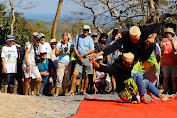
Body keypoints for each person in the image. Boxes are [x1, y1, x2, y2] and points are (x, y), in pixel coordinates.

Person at [90, 52, 176, 103]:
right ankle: (142, 96)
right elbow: (103, 68)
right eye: (129, 64)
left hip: (131, 90)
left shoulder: (129, 64)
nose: (131, 66)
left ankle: (161, 96)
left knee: (146, 82)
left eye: (131, 64)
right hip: (124, 93)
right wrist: (94, 62)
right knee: (138, 75)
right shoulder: (116, 67)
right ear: (124, 62)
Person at [90, 23, 162, 65]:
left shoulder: (144, 30)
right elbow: (113, 47)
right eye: (132, 39)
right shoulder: (125, 36)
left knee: (151, 44)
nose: (134, 40)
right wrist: (97, 54)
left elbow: (158, 25)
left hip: (144, 52)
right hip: (131, 54)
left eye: (135, 39)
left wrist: (153, 36)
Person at [67, 25, 94, 95]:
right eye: (85, 30)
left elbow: (91, 49)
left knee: (86, 75)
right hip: (79, 59)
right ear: (82, 30)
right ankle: (71, 90)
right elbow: (75, 47)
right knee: (75, 74)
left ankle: (84, 90)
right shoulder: (78, 37)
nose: (86, 31)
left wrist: (83, 55)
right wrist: (78, 56)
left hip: (87, 58)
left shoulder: (90, 39)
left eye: (87, 30)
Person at [160, 27, 177, 94]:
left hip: (173, 62)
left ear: (172, 34)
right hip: (165, 62)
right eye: (167, 33)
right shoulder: (162, 41)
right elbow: (162, 51)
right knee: (165, 77)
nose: (168, 34)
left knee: (174, 78)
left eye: (170, 33)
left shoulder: (175, 42)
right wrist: (163, 44)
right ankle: (165, 91)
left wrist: (172, 43)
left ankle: (174, 92)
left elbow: (174, 51)